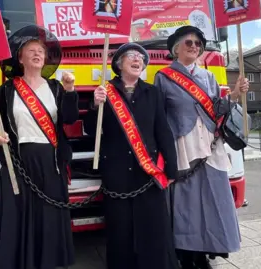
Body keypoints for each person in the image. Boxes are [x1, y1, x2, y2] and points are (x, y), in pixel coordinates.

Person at [0, 24, 78, 269]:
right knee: (20, 216)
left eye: (41, 51)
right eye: (31, 50)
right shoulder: (8, 90)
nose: (37, 54)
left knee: (48, 217)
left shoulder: (55, 87)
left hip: (51, 161)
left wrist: (70, 90)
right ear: (20, 58)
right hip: (19, 162)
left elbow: (70, 118)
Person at [153, 25, 249, 269]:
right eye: (189, 43)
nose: (194, 46)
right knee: (185, 203)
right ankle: (186, 254)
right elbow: (159, 116)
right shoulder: (163, 77)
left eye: (198, 43)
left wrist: (235, 94)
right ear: (176, 49)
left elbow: (218, 108)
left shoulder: (208, 76)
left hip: (211, 143)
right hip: (182, 144)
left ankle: (207, 250)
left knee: (213, 198)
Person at [83, 43, 180, 269]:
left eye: (141, 58)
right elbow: (90, 130)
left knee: (153, 230)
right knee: (120, 233)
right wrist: (96, 106)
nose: (138, 60)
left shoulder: (152, 92)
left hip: (147, 175)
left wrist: (172, 168)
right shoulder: (105, 91)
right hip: (116, 174)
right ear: (119, 64)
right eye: (131, 56)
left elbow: (163, 131)